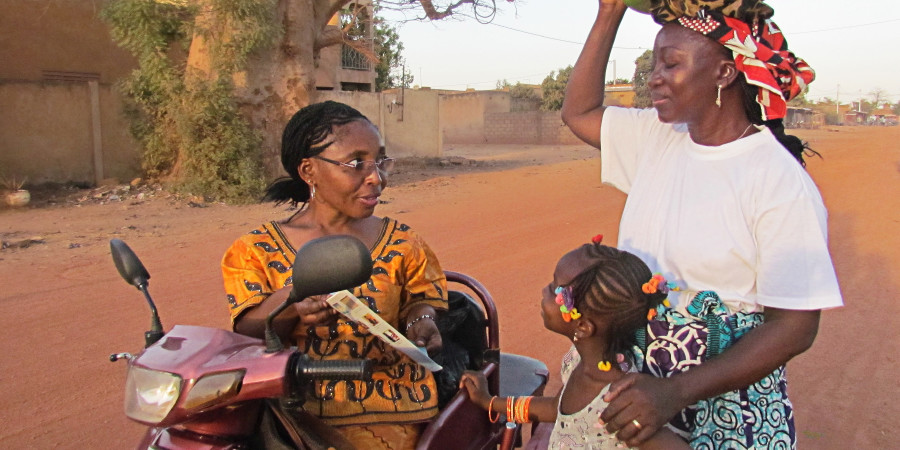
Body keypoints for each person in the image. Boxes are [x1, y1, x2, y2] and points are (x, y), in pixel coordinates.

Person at [560, 1, 843, 448]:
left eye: (671, 63)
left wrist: (675, 392)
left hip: (724, 408)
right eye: (654, 63)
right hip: (639, 395)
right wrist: (608, 14)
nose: (654, 77)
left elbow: (795, 326)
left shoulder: (777, 180)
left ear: (725, 73)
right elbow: (578, 113)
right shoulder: (659, 137)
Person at [222, 101, 448, 449]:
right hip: (293, 410)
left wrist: (423, 318)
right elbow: (247, 333)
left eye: (379, 161)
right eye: (356, 163)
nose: (376, 178)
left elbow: (423, 300)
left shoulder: (405, 243)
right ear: (309, 171)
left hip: (390, 408)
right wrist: (291, 303)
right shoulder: (254, 250)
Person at [459, 236, 690, 449]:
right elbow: (556, 409)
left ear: (583, 327)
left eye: (553, 288)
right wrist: (491, 402)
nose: (544, 291)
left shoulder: (619, 402)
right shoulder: (578, 360)